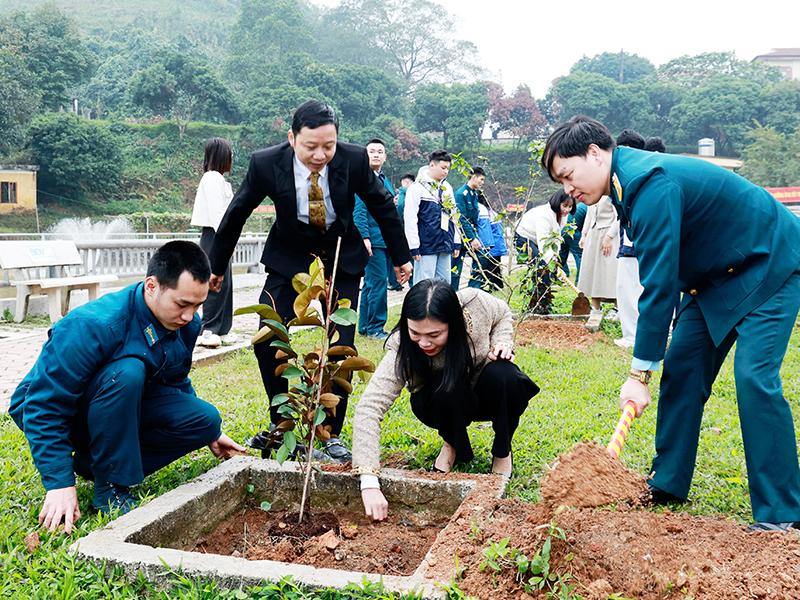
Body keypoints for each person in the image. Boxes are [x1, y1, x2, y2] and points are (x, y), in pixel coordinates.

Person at [542, 114, 800, 531]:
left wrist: (638, 374)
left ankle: (782, 515)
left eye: (568, 176)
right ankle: (667, 482)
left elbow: (658, 284)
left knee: (755, 377)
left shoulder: (651, 184)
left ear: (594, 153)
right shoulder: (623, 184)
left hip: (770, 261)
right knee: (682, 367)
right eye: (561, 182)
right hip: (714, 278)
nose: (567, 189)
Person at [207, 100, 412, 463]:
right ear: (292, 138)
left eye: (328, 146)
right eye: (311, 146)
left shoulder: (354, 159)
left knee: (341, 344)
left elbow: (382, 205)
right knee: (267, 334)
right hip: (289, 258)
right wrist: (216, 265)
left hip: (341, 256)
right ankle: (282, 424)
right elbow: (237, 212)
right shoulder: (266, 163)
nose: (320, 155)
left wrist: (401, 256)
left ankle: (330, 433)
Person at [9, 241, 247, 533]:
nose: (189, 316)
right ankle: (111, 488)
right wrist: (59, 483)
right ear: (151, 286)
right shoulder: (94, 324)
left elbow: (174, 379)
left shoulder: (186, 324)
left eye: (198, 305)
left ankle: (93, 463)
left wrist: (211, 434)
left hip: (117, 407)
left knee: (205, 419)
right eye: (182, 304)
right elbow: (42, 406)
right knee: (128, 372)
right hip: (70, 415)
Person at [352, 278, 539, 521]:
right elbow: (369, 407)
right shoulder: (401, 347)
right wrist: (369, 482)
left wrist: (502, 341)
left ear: (454, 322)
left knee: (508, 377)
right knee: (449, 389)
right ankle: (451, 444)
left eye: (434, 334)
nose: (424, 343)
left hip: (483, 393)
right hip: (439, 402)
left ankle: (502, 452)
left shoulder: (475, 304)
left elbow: (502, 312)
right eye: (415, 333)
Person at [191, 137, 237, 348]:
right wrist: (226, 240)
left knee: (225, 283)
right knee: (214, 283)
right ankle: (208, 329)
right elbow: (218, 214)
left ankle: (223, 328)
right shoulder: (212, 178)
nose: (231, 157)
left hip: (220, 236)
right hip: (214, 236)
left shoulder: (218, 179)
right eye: (229, 153)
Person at [354, 138, 396, 340]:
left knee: (371, 284)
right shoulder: (363, 179)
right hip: (373, 240)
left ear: (385, 157)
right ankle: (376, 328)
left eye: (380, 152)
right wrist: (364, 237)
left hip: (384, 239)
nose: (376, 155)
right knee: (378, 283)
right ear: (365, 155)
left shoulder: (383, 179)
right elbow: (359, 211)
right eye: (372, 151)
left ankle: (364, 326)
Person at [404, 150, 460, 285]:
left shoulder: (447, 188)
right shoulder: (417, 187)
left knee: (444, 284)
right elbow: (410, 218)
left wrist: (456, 241)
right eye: (443, 168)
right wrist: (414, 246)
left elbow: (454, 215)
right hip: (426, 245)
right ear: (432, 165)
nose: (446, 171)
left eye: (448, 168)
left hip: (445, 243)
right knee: (424, 283)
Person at [514, 190, 576, 313]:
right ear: (557, 202)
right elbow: (544, 243)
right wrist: (551, 263)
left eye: (570, 206)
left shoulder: (562, 215)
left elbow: (556, 238)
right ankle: (535, 305)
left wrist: (555, 259)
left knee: (546, 268)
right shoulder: (544, 215)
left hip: (537, 239)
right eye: (564, 206)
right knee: (540, 267)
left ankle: (544, 304)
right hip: (523, 236)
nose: (567, 210)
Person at [613, 129, 647, 346]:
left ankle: (632, 337)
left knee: (628, 290)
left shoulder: (627, 175)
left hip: (633, 242)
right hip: (637, 241)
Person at [578, 194, 619, 318]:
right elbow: (589, 215)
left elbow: (618, 217)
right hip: (593, 234)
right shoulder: (591, 193)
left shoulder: (612, 192)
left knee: (611, 270)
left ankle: (617, 308)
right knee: (592, 269)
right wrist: (584, 234)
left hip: (609, 235)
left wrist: (609, 236)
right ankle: (596, 307)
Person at [451, 167, 487, 289]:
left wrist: (475, 237)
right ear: (474, 177)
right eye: (481, 179)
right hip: (460, 236)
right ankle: (453, 292)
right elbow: (462, 219)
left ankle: (473, 289)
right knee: (455, 268)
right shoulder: (461, 194)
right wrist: (472, 238)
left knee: (481, 258)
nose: (482, 183)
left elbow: (475, 219)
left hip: (471, 235)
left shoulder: (474, 194)